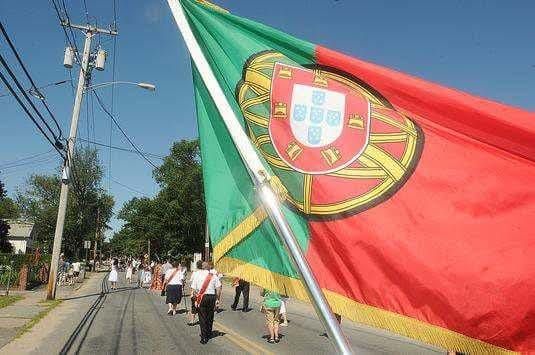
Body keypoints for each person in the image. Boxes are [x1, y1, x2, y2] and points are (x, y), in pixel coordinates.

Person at [191, 261, 222, 344]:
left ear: (202, 267)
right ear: (208, 268)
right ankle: (208, 333)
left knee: (202, 317)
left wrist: (195, 299)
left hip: (202, 297)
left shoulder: (197, 275)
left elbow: (194, 290)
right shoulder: (213, 276)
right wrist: (217, 299)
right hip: (212, 297)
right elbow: (219, 288)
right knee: (210, 315)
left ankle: (204, 337)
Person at [187, 260, 203, 326]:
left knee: (193, 307)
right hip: (203, 293)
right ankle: (202, 320)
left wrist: (191, 293)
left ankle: (192, 321)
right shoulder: (206, 273)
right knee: (202, 307)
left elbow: (191, 282)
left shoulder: (195, 273)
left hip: (196, 293)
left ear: (196, 266)